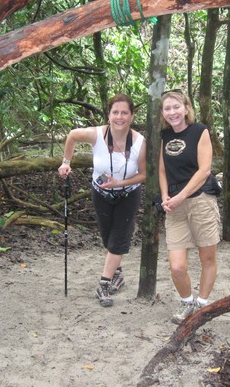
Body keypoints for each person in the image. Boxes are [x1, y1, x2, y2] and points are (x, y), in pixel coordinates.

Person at [58, 94, 146, 307]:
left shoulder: (140, 143)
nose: (119, 117)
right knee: (108, 239)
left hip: (128, 194)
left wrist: (119, 183)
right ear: (108, 115)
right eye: (115, 112)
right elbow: (72, 135)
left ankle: (103, 284)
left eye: (124, 112)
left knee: (119, 240)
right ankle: (118, 274)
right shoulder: (96, 134)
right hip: (101, 194)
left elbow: (144, 174)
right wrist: (66, 162)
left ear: (132, 116)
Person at [158, 89, 221, 324]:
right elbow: (162, 169)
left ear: (186, 109)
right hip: (174, 206)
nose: (172, 112)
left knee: (207, 257)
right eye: (167, 108)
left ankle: (202, 305)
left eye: (176, 107)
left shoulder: (199, 131)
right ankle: (187, 302)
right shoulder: (164, 135)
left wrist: (181, 196)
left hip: (200, 200)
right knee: (177, 266)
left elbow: (204, 170)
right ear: (163, 113)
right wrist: (165, 195)